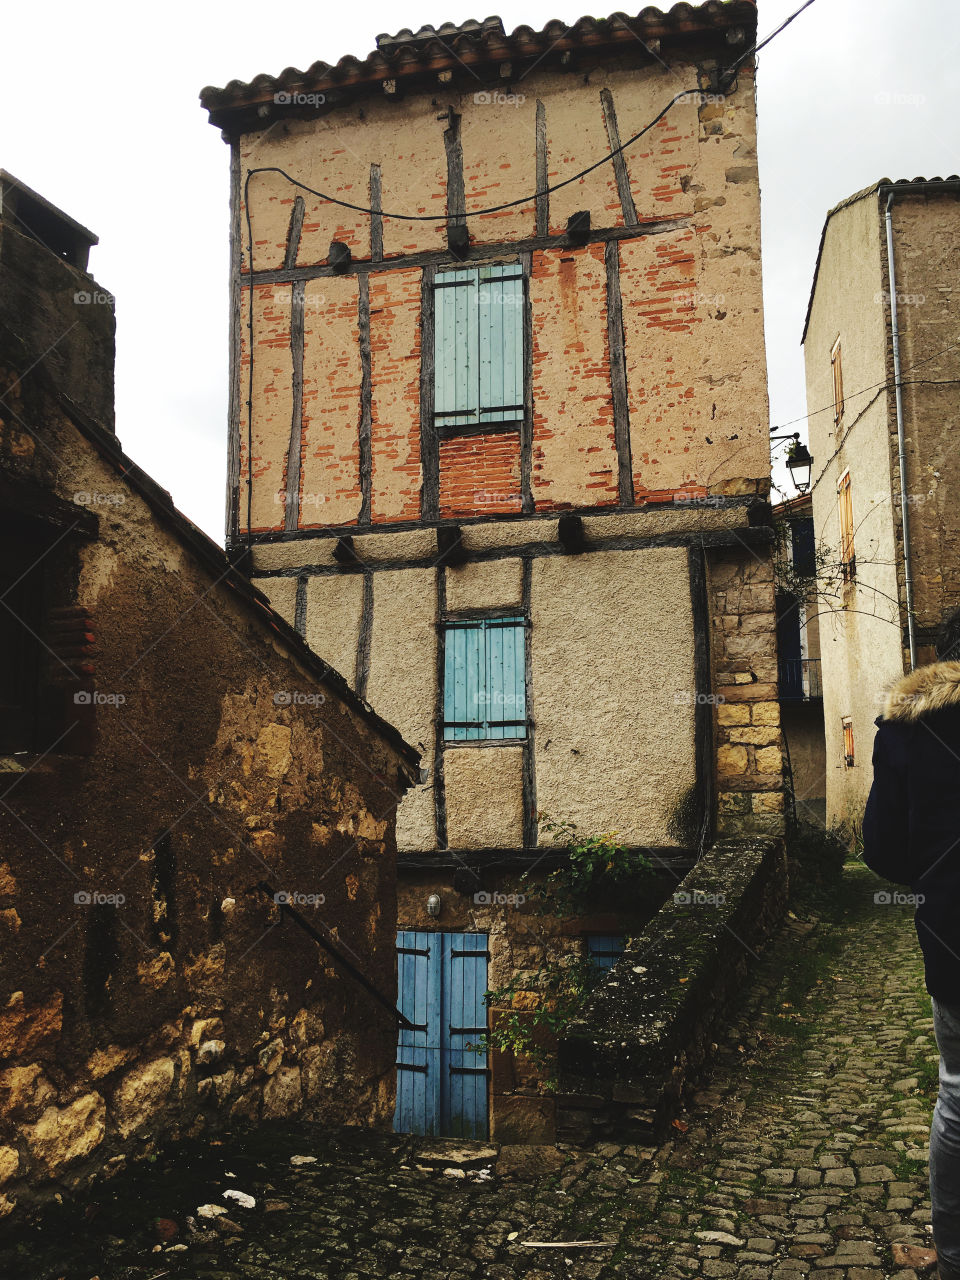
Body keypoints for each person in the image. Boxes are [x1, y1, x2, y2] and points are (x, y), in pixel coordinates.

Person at [863, 648, 960, 1280]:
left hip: (954, 930)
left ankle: (953, 1259)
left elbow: (884, 850)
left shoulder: (909, 729)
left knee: (959, 1093)